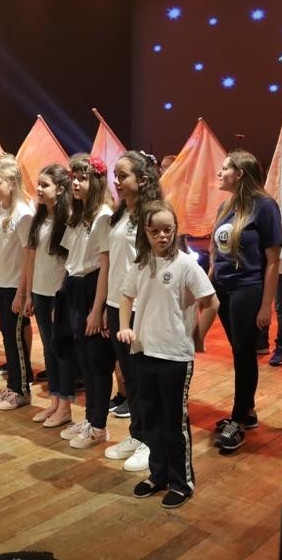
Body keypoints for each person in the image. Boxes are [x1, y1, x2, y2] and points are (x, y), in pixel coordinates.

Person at [117, 200, 217, 509]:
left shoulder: (186, 264)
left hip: (174, 357)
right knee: (151, 418)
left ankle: (181, 481)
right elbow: (126, 295)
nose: (162, 236)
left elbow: (211, 303)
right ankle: (158, 474)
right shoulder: (141, 264)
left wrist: (196, 337)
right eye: (155, 231)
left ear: (175, 230)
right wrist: (125, 327)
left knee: (174, 422)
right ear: (146, 232)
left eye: (167, 230)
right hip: (144, 352)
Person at [209, 151, 282, 452]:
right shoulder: (226, 206)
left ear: (239, 174)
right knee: (238, 351)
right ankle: (247, 411)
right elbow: (216, 253)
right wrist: (208, 286)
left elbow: (273, 261)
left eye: (225, 168)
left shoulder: (265, 206)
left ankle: (238, 421)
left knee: (243, 353)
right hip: (223, 289)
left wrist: (266, 306)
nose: (220, 172)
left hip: (247, 288)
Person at [104, 151, 162, 471]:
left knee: (145, 377)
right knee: (130, 377)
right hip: (118, 305)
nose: (116, 180)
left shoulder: (152, 215)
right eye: (115, 174)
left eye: (122, 175)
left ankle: (153, 442)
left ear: (142, 180)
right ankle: (138, 434)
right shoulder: (120, 215)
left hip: (141, 307)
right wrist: (106, 305)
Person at [57, 154, 114, 450]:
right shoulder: (79, 214)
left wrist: (97, 309)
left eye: (83, 179)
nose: (76, 184)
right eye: (74, 179)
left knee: (97, 361)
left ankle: (99, 425)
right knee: (84, 360)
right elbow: (71, 258)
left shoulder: (103, 215)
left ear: (97, 182)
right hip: (75, 286)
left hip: (92, 288)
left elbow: (105, 265)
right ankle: (91, 419)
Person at [22, 164, 73, 427]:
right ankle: (54, 401)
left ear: (60, 189)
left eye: (45, 185)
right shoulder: (39, 219)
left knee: (62, 350)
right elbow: (32, 259)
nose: (39, 189)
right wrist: (29, 294)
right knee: (49, 349)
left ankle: (65, 406)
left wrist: (62, 297)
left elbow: (70, 264)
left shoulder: (68, 220)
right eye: (39, 184)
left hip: (59, 295)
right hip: (40, 292)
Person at [0, 155, 35, 411]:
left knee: (16, 339)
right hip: (1, 283)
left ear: (12, 183)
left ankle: (23, 389)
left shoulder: (23, 213)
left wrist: (22, 293)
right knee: (7, 337)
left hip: (16, 285)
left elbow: (29, 256)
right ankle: (13, 384)